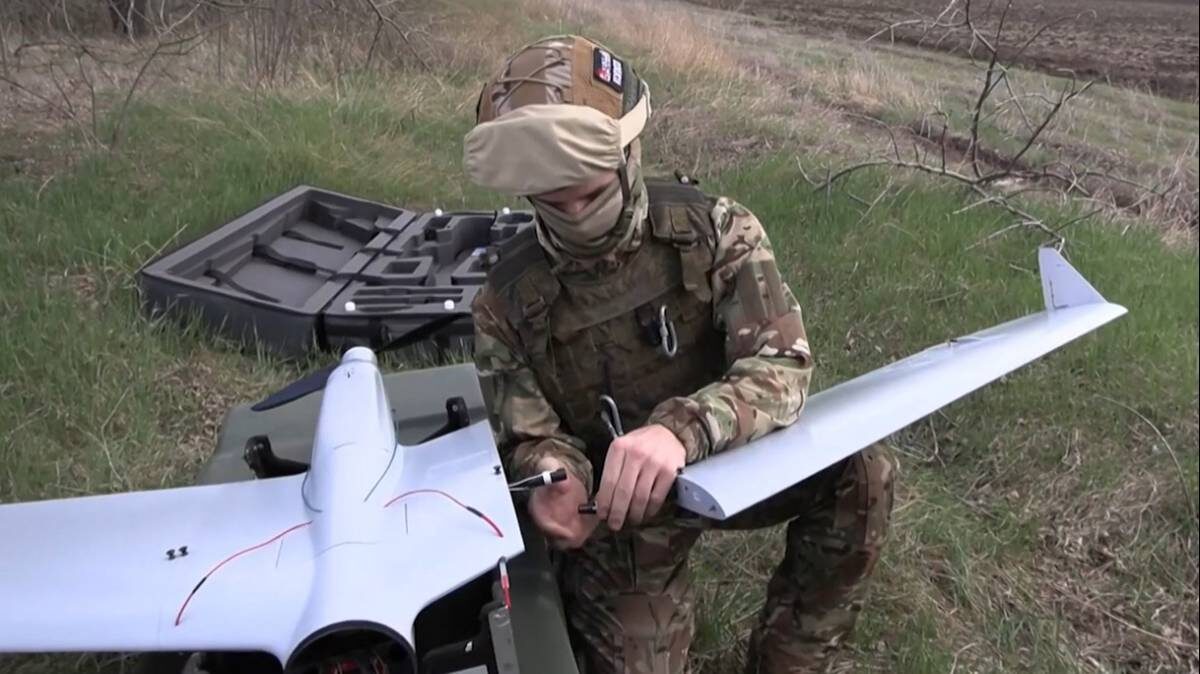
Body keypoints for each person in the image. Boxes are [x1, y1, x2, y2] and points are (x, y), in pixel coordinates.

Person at [464, 35, 895, 674]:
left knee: (862, 472)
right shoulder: (505, 304)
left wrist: (680, 431)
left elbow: (783, 367)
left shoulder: (716, 231)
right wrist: (556, 477)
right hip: (619, 515)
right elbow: (531, 436)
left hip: (730, 464)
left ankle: (791, 658)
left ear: (628, 157)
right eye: (556, 203)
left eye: (593, 193)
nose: (578, 215)